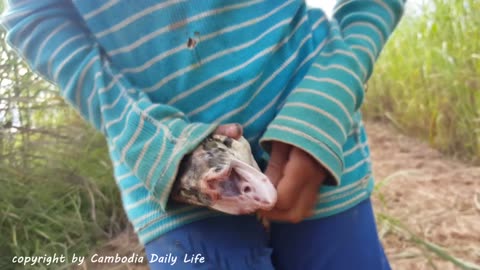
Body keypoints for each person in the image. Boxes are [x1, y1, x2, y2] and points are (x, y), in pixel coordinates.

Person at [2, 0, 405, 269]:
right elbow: (34, 18)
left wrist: (330, 96)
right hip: (166, 180)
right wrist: (152, 142)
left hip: (322, 140)